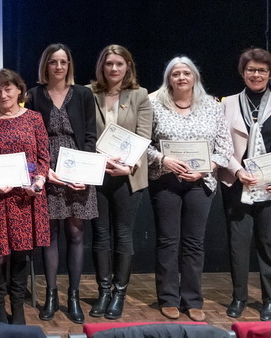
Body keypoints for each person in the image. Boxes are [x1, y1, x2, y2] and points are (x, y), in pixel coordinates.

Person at [218, 48, 271, 322]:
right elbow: (220, 145)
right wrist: (237, 170)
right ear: (243, 73)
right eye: (251, 70)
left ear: (270, 74)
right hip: (237, 183)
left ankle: (269, 301)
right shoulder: (228, 104)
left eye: (262, 70)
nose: (256, 75)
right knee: (238, 244)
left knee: (269, 245)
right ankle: (239, 297)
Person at [146, 56, 232, 322]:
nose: (181, 78)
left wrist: (204, 169)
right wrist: (163, 159)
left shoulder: (212, 106)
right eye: (175, 74)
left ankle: (193, 300)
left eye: (186, 73)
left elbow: (225, 149)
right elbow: (142, 144)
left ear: (195, 76)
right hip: (165, 180)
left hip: (200, 182)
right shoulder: (153, 104)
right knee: (168, 241)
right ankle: (169, 298)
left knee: (194, 243)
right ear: (168, 78)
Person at [24, 44, 98, 324]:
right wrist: (45, 170)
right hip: (47, 170)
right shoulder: (33, 95)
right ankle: (52, 295)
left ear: (69, 65)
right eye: (53, 62)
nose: (58, 67)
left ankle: (74, 297)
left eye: (63, 62)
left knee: (76, 233)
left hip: (78, 168)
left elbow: (90, 135)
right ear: (46, 65)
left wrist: (84, 173)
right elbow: (28, 139)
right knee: (50, 234)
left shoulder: (83, 94)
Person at [0, 69, 50, 325]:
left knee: (21, 254)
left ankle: (17, 308)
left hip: (25, 198)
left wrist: (38, 181)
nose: (2, 94)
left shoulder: (35, 119)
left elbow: (42, 158)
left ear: (19, 90)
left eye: (7, 89)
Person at [85, 45, 152, 320]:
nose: (114, 69)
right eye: (109, 63)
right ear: (102, 66)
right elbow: (85, 135)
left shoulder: (140, 95)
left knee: (123, 234)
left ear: (128, 67)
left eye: (119, 64)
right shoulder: (88, 93)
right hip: (98, 173)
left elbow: (144, 136)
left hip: (129, 176)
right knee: (100, 235)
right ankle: (103, 292)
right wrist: (102, 163)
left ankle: (119, 294)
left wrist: (126, 165)